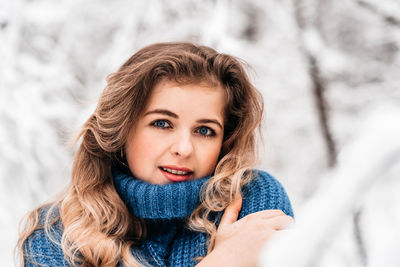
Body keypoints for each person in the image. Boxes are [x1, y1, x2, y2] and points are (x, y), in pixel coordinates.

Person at [17, 42, 294, 267]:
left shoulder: (252, 199)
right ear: (123, 129)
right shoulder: (55, 236)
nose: (184, 148)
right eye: (162, 124)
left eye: (205, 131)